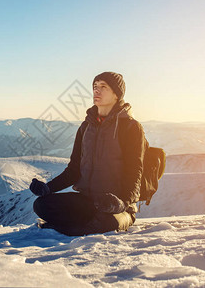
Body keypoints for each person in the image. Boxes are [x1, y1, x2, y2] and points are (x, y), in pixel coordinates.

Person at [29, 71, 148, 236]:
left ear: (116, 94)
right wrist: (47, 188)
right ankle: (81, 225)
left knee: (108, 222)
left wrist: (122, 203)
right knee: (41, 205)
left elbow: (135, 173)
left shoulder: (131, 127)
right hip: (87, 201)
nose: (96, 91)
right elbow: (74, 170)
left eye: (103, 87)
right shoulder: (85, 127)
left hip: (117, 206)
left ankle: (70, 227)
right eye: (95, 87)